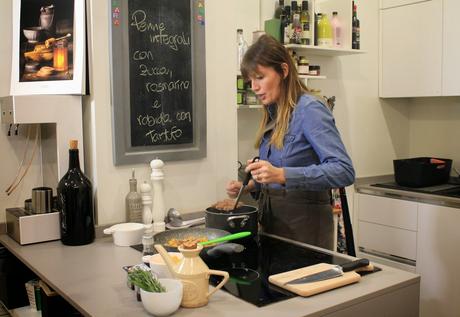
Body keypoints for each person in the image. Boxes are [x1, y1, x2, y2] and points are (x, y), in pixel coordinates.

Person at [226, 35, 355, 250]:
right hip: (274, 229)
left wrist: (282, 174)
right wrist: (250, 185)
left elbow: (344, 171)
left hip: (305, 234)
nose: (255, 87)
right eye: (251, 81)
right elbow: (282, 171)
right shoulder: (273, 112)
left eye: (260, 77)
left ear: (284, 71)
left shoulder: (310, 109)